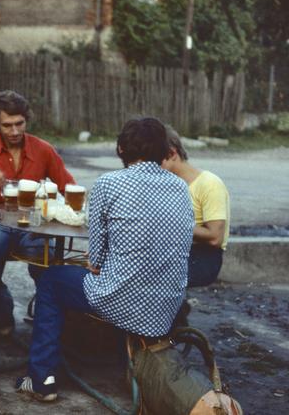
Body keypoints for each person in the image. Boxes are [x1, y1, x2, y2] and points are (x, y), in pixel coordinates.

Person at [15, 117, 194, 402]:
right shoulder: (181, 187)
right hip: (167, 305)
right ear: (165, 151)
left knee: (50, 278)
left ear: (121, 149)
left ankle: (41, 380)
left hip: (123, 302)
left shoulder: (109, 183)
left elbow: (95, 260)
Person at [0, 90, 76, 336]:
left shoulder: (43, 149)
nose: (14, 131)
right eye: (7, 125)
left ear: (27, 120)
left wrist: (59, 205)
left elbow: (68, 187)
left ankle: (47, 321)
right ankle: (2, 321)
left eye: (19, 124)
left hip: (34, 223)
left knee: (50, 260)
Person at [162, 126, 230, 287]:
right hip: (172, 253)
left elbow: (215, 237)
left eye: (155, 161)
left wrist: (169, 224)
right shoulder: (163, 184)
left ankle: (176, 309)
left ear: (172, 154)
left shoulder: (209, 183)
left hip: (202, 258)